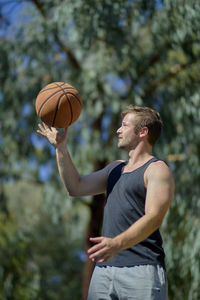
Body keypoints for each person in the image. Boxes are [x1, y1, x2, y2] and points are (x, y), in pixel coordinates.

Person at [37, 105, 174, 300]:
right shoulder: (115, 169)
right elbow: (75, 187)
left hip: (142, 269)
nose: (118, 130)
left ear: (143, 132)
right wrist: (61, 148)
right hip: (104, 271)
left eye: (125, 125)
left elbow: (154, 218)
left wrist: (117, 243)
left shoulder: (157, 169)